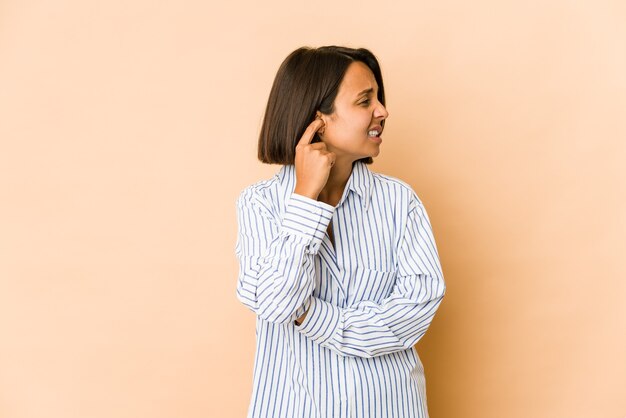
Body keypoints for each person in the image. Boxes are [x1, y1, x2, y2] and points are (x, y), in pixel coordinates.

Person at [235, 45, 446, 418]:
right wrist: (304, 199)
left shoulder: (400, 203)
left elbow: (415, 310)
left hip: (389, 407)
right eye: (365, 100)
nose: (382, 111)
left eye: (379, 97)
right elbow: (275, 305)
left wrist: (316, 318)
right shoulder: (260, 205)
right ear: (318, 119)